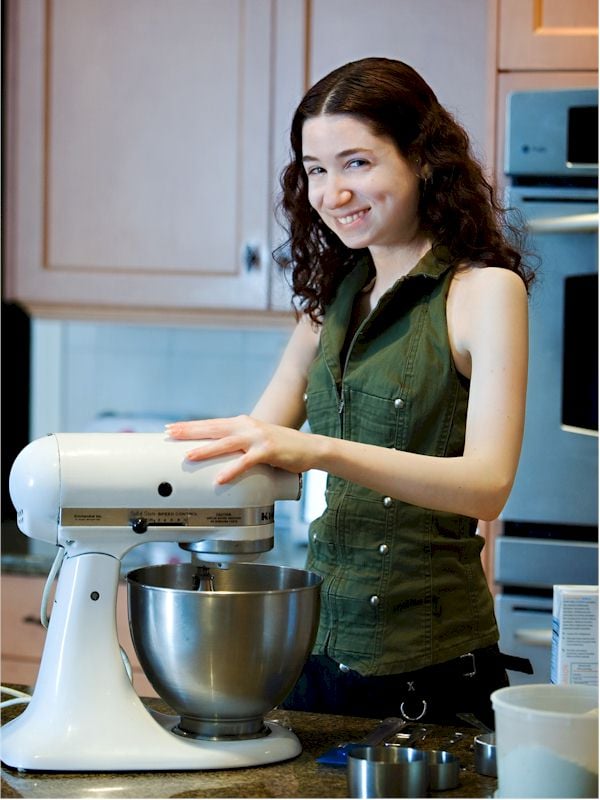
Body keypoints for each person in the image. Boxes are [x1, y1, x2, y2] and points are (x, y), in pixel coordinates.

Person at [167, 57, 535, 728]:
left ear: (422, 160)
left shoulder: (484, 294)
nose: (333, 193)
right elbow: (257, 442)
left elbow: (487, 486)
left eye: (357, 163)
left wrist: (316, 449)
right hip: (316, 660)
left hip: (433, 671)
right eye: (315, 169)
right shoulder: (328, 303)